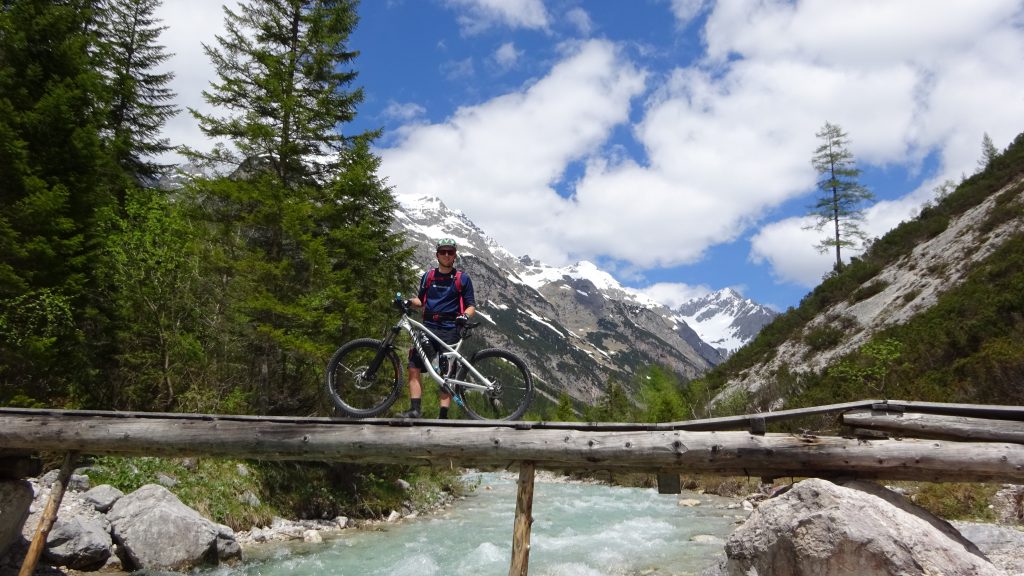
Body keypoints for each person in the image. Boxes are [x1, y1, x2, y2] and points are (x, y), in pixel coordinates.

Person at [397, 238, 476, 419]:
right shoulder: (428, 276)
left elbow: (471, 305)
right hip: (428, 327)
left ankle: (443, 416)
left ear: (455, 255)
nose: (446, 255)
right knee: (413, 366)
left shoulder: (462, 279)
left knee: (446, 373)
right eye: (443, 252)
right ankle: (415, 410)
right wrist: (408, 302)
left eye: (450, 252)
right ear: (437, 255)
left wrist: (465, 316)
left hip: (450, 329)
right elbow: (420, 300)